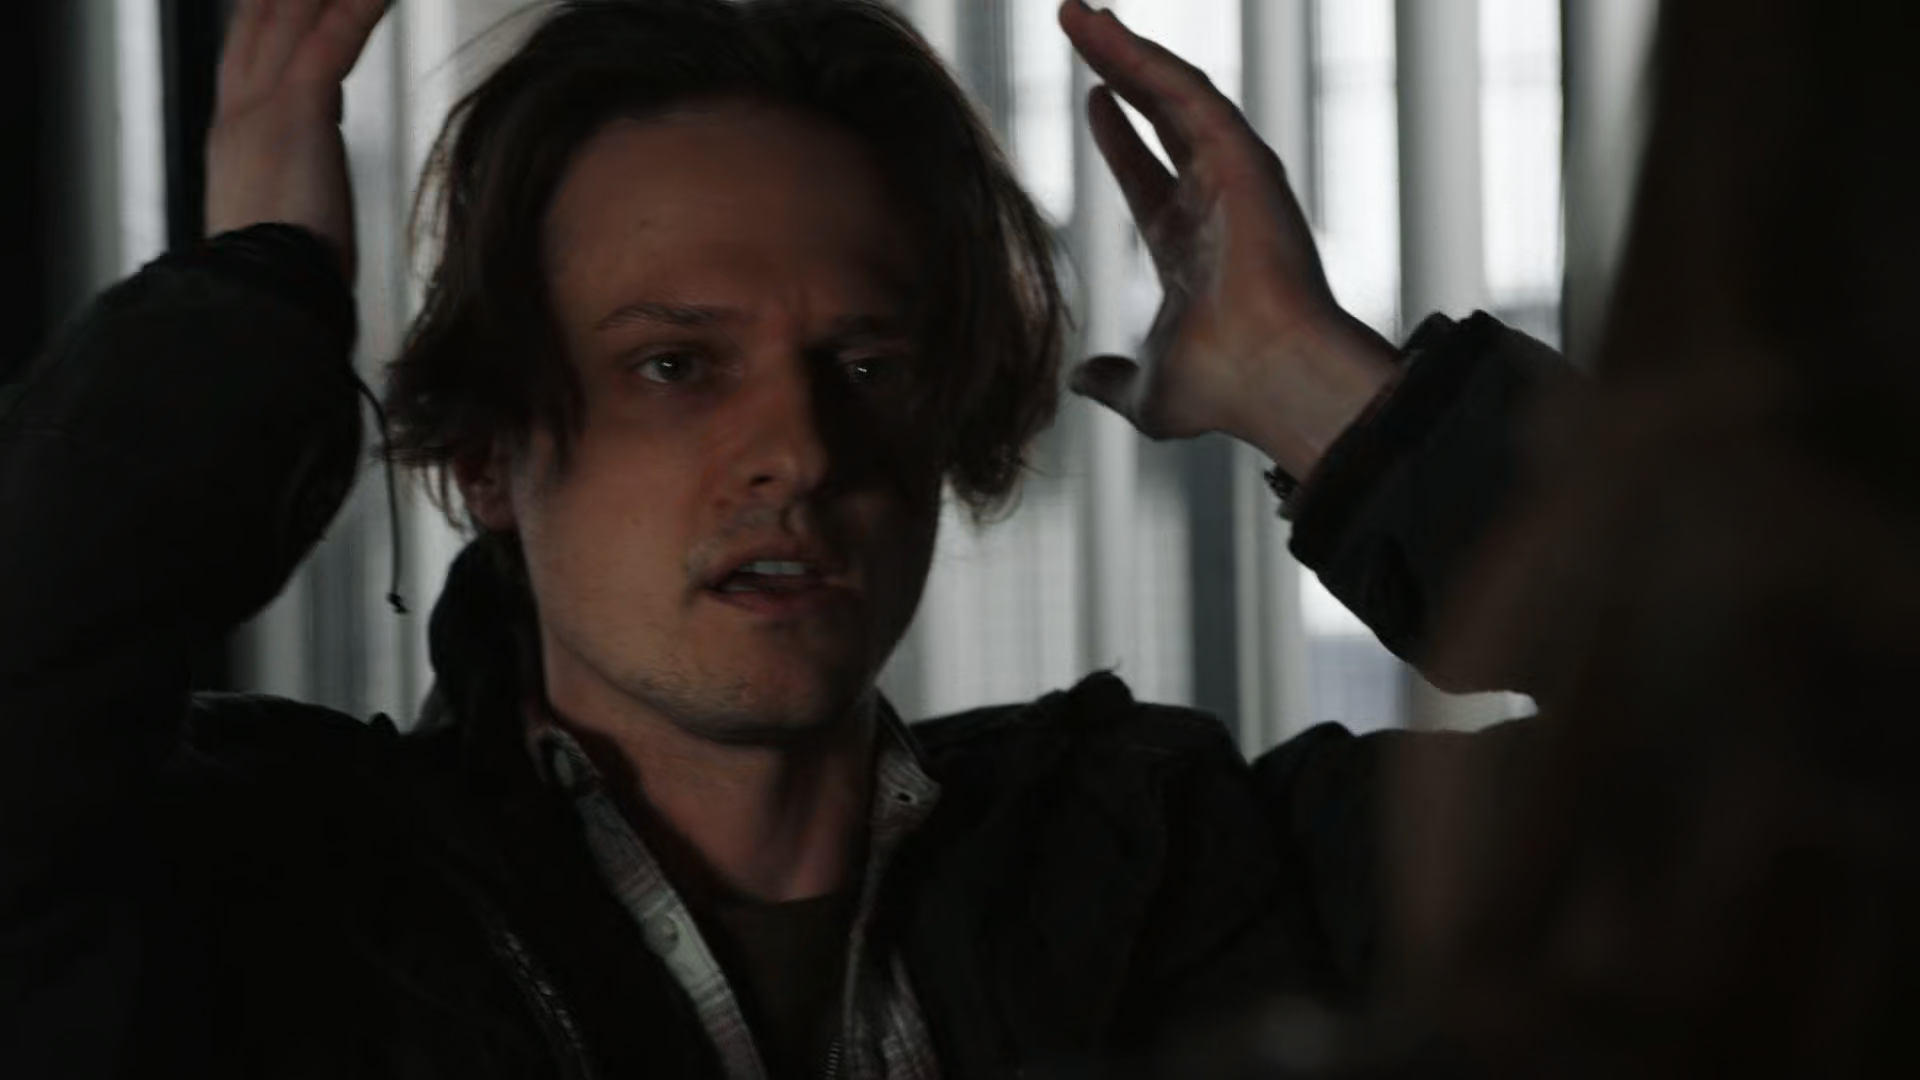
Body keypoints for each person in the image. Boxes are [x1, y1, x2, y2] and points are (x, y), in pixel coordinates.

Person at [0, 0, 1565, 1077]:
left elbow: (1722, 792)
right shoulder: (264, 906)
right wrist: (254, 297)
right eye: (676, 365)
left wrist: (1318, 389)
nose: (800, 453)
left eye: (866, 369)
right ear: (485, 452)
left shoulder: (1184, 868)